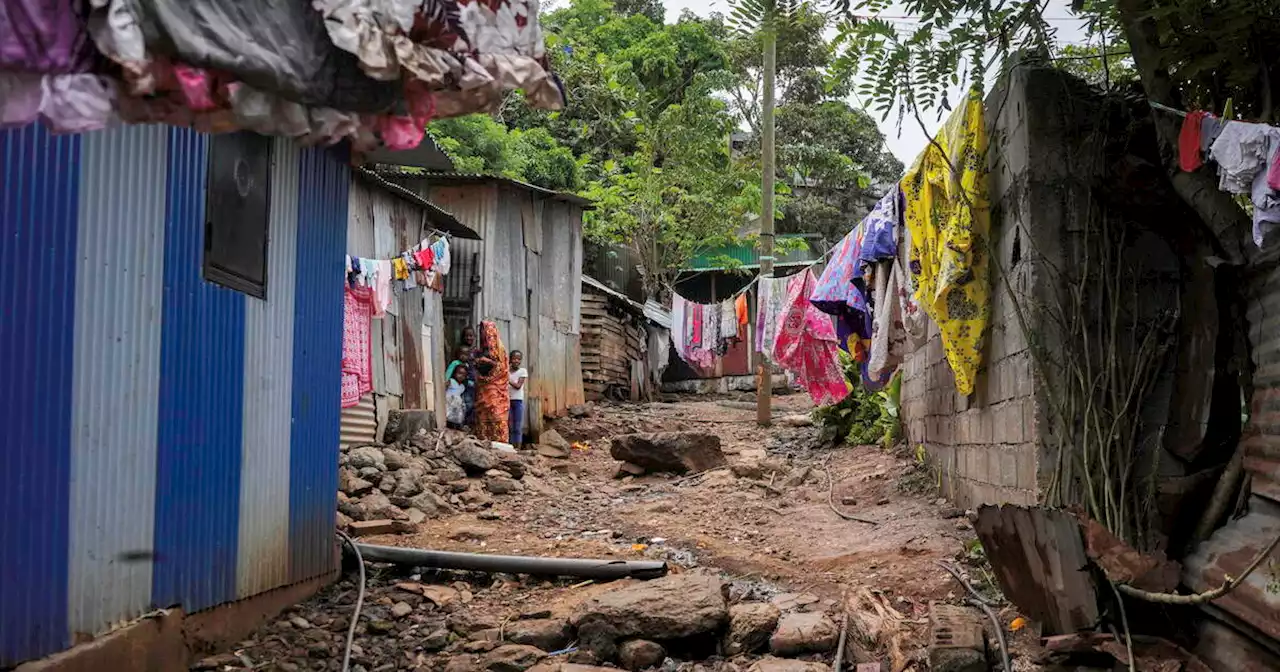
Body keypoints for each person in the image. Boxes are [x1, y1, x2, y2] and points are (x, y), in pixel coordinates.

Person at [472, 321, 510, 442]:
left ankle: (500, 442)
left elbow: (502, 368)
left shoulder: (500, 350)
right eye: (482, 331)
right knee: (483, 415)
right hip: (483, 388)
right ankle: (485, 441)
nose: (483, 333)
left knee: (496, 414)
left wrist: (488, 362)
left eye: (485, 331)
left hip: (496, 388)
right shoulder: (481, 350)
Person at [507, 350, 529, 447]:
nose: (516, 361)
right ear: (510, 360)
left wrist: (507, 379)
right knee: (510, 426)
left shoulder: (522, 371)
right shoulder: (506, 371)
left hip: (517, 401)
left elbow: (518, 386)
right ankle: (511, 446)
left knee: (517, 426)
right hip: (507, 401)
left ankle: (518, 447)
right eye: (514, 358)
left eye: (519, 359)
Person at [445, 361, 468, 430]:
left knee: (458, 415)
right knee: (448, 415)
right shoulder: (451, 381)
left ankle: (456, 427)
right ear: (455, 373)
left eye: (464, 375)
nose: (461, 376)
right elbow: (444, 389)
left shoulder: (462, 386)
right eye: (459, 373)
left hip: (457, 405)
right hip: (449, 402)